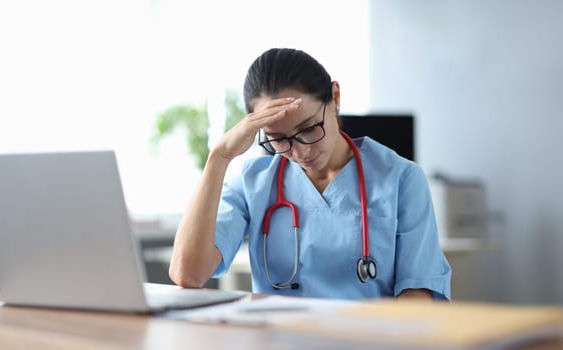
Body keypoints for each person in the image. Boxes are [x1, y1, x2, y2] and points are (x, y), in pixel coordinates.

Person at [169, 48, 451, 300]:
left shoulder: (400, 178)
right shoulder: (254, 182)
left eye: (308, 129)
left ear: (335, 97)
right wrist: (219, 157)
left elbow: (418, 294)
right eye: (279, 139)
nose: (300, 151)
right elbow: (188, 274)